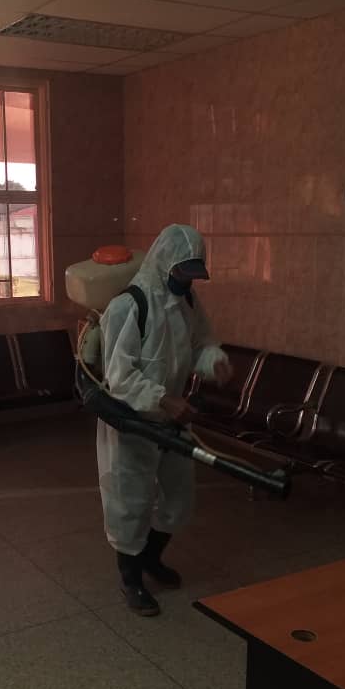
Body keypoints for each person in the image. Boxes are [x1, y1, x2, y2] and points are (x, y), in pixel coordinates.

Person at [97, 224, 232, 617]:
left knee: (178, 498)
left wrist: (214, 361)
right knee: (131, 502)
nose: (186, 281)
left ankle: (152, 559)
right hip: (132, 422)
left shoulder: (187, 301)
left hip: (172, 420)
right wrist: (161, 399)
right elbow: (119, 376)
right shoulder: (128, 306)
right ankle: (131, 579)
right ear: (163, 263)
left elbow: (200, 344)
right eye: (181, 273)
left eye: (193, 274)